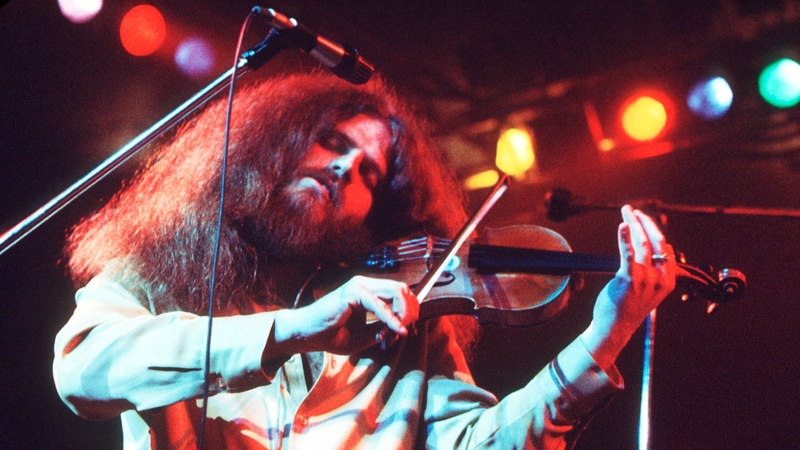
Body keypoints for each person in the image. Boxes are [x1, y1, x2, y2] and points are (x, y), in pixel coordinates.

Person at [52, 70, 676, 449]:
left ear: (377, 211)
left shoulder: (403, 326)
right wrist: (298, 329)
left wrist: (604, 337)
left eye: (370, 174)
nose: (346, 167)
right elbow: (81, 370)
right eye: (331, 143)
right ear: (270, 147)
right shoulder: (167, 269)